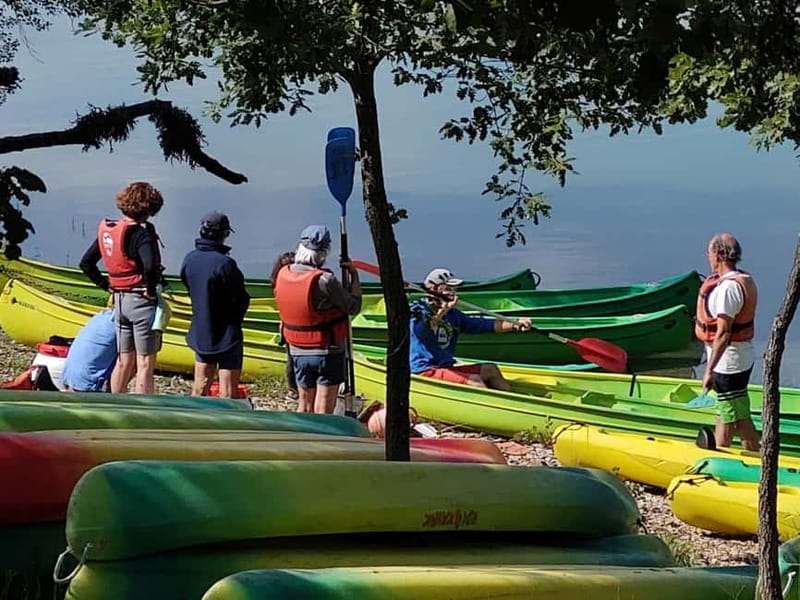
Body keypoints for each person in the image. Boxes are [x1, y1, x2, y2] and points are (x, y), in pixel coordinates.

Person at [80, 181, 165, 394]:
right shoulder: (142, 234)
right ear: (150, 208)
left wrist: (105, 285)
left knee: (124, 359)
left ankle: (114, 403)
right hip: (141, 302)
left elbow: (86, 263)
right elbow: (150, 265)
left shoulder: (111, 231)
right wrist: (151, 290)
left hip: (119, 301)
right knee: (145, 362)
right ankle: (145, 408)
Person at [273, 225, 361, 414]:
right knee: (323, 411)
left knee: (304, 406)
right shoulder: (325, 280)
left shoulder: (283, 274)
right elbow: (353, 306)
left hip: (297, 350)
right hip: (326, 351)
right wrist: (354, 275)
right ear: (325, 251)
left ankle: (301, 432)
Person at [410, 268, 532, 391]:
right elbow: (422, 330)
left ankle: (509, 400)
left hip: (446, 367)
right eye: (448, 288)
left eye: (453, 289)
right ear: (434, 289)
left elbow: (483, 325)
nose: (452, 293)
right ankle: (489, 402)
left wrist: (515, 324)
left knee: (491, 369)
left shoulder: (454, 315)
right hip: (425, 370)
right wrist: (442, 311)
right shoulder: (417, 310)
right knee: (475, 381)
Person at [695, 233, 760, 451]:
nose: (708, 257)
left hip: (729, 364)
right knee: (731, 413)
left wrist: (708, 370)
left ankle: (726, 456)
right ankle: (752, 455)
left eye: (710, 252)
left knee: (734, 418)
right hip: (738, 359)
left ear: (719, 254)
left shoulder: (728, 289)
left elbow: (723, 333)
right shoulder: (741, 279)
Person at [180, 212, 250, 398]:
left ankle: (195, 413)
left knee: (200, 385)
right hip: (227, 334)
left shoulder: (189, 259)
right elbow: (241, 298)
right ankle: (226, 415)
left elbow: (188, 285)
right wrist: (236, 319)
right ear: (224, 234)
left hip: (201, 330)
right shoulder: (225, 264)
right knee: (228, 391)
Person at [61, 309, 118, 392]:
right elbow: (124, 364)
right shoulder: (120, 323)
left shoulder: (101, 316)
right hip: (87, 388)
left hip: (71, 380)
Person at [270, 250, 299, 401]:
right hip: (294, 326)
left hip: (287, 325)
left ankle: (293, 390)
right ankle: (294, 389)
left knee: (291, 359)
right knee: (293, 359)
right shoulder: (295, 284)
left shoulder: (278, 285)